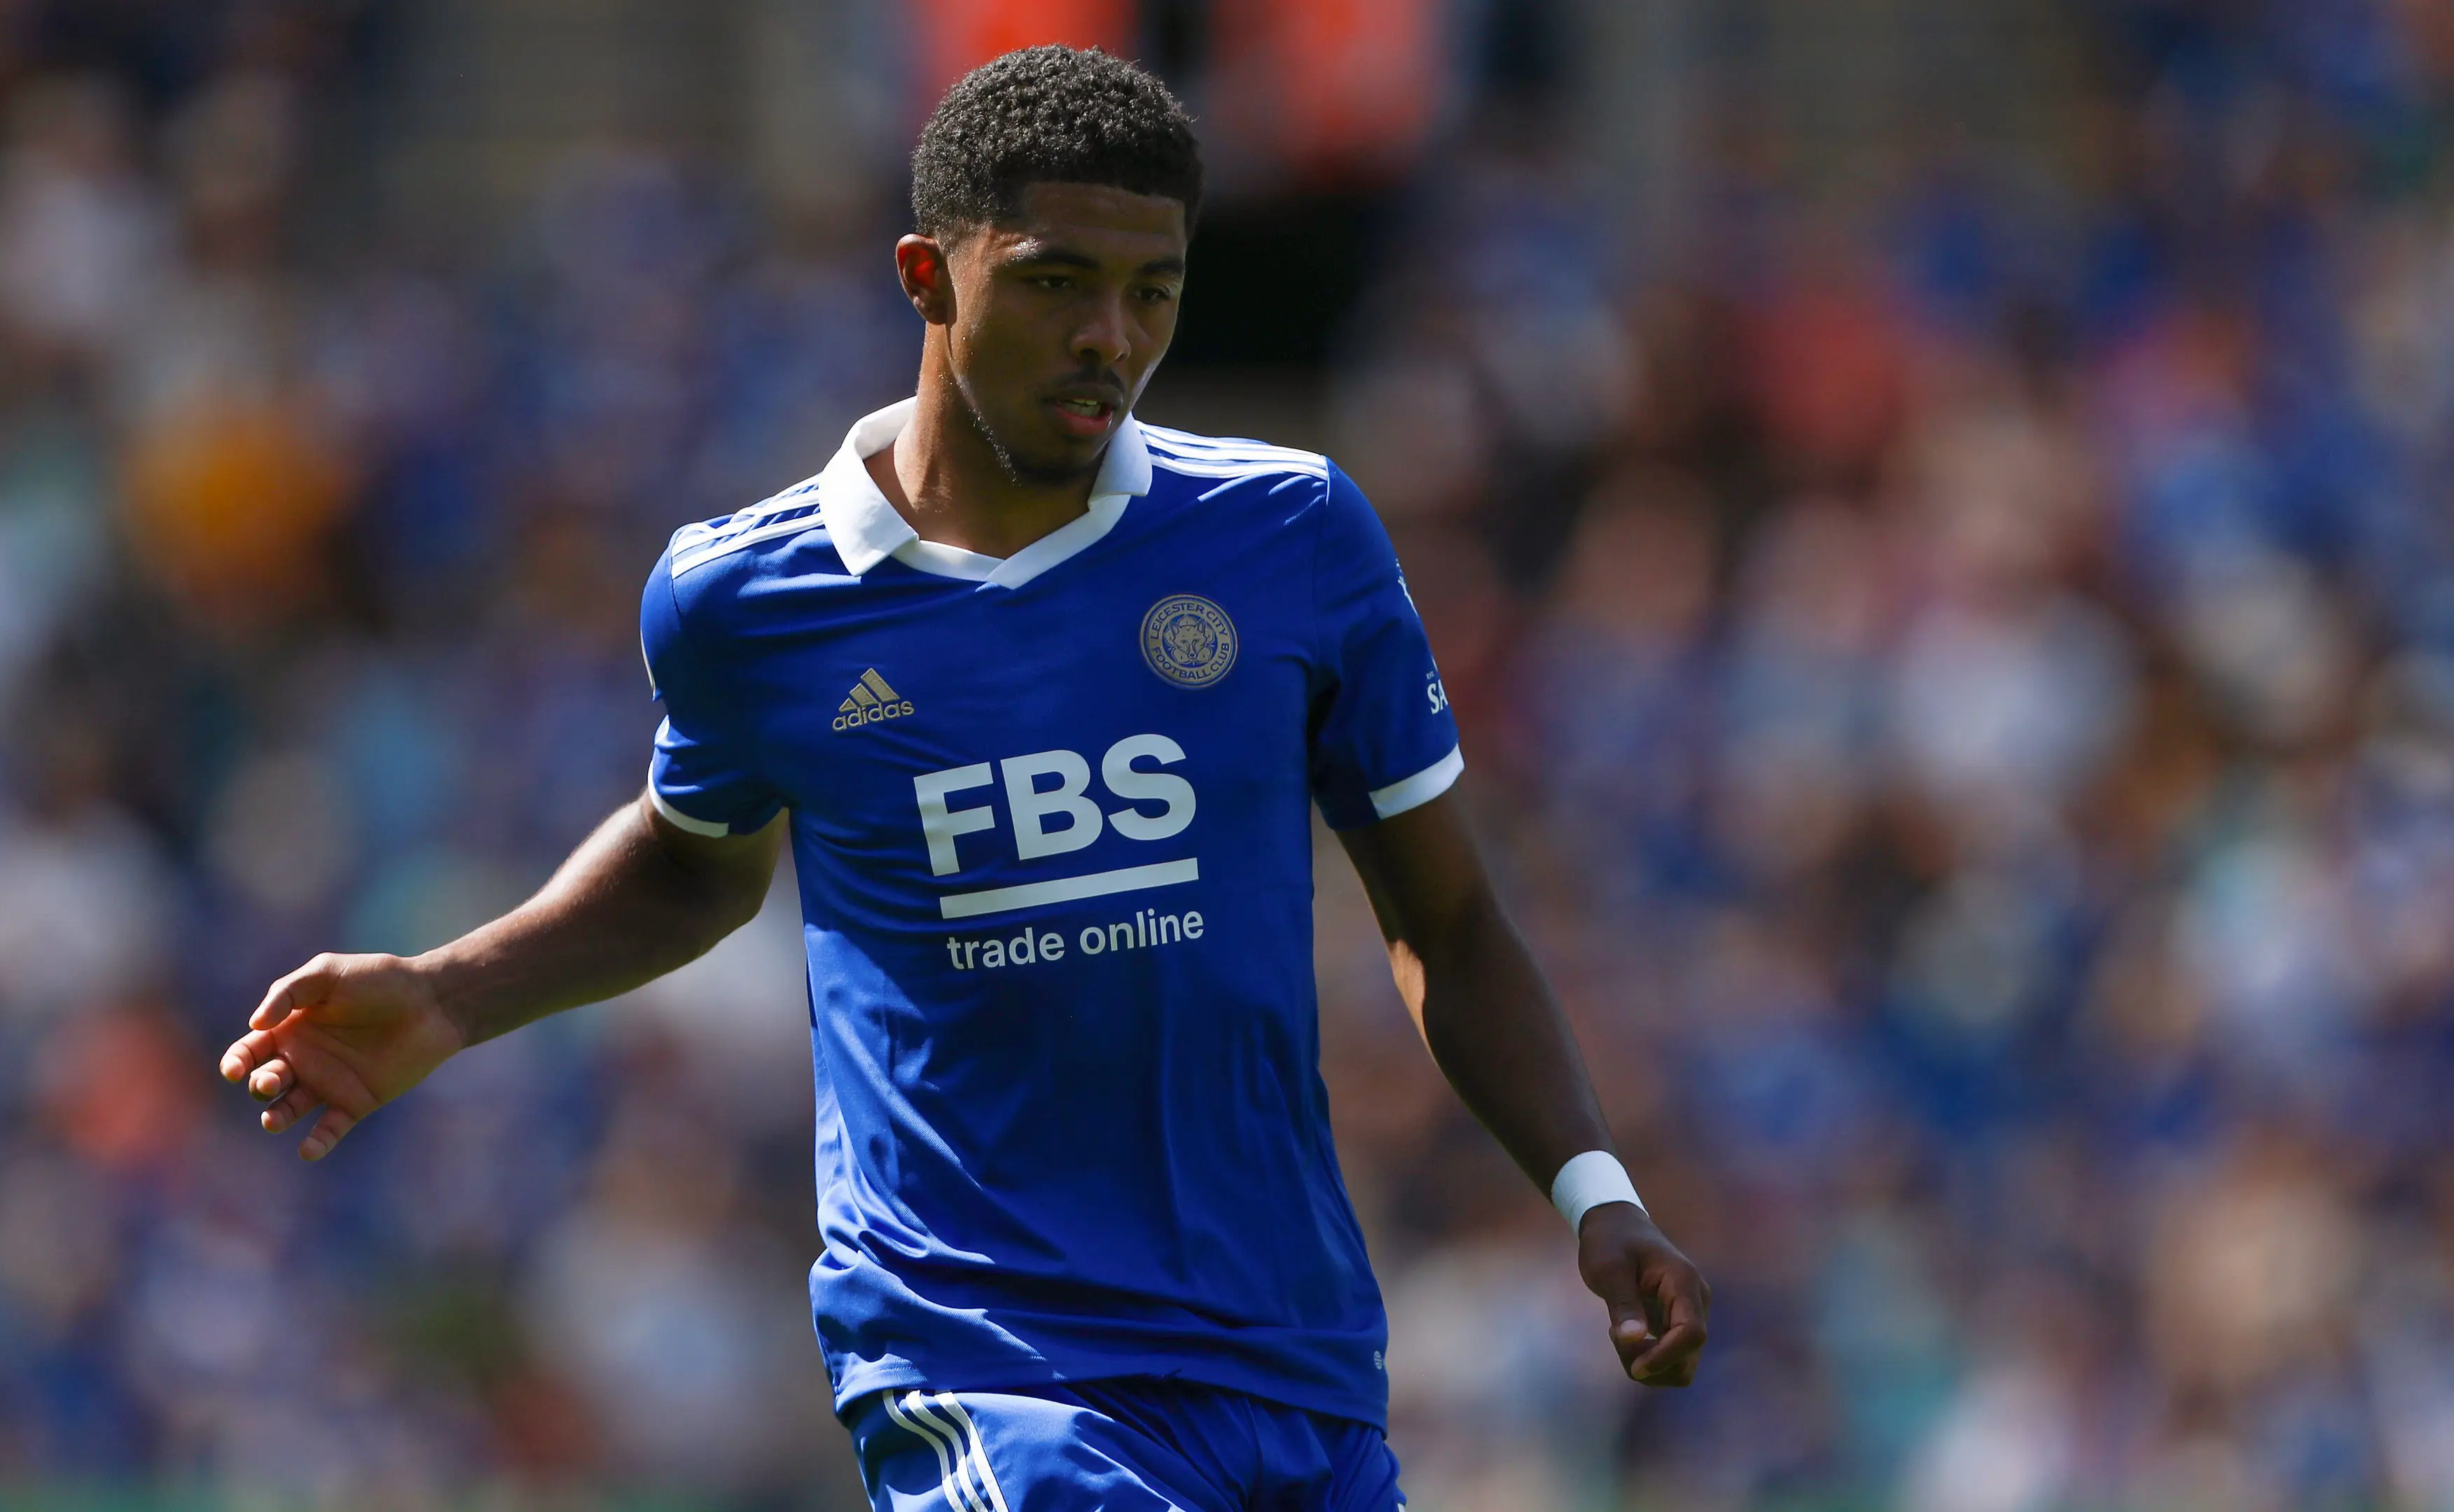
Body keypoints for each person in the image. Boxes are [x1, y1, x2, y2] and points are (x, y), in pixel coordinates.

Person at [219, 46, 1707, 1511]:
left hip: (1295, 1362)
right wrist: (455, 990)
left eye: (1154, 291)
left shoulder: (1293, 537)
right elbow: (696, 855)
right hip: (989, 1364)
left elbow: (1446, 920)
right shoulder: (747, 599)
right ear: (927, 275)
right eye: (1059, 281)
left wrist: (1595, 1190)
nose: (1111, 336)